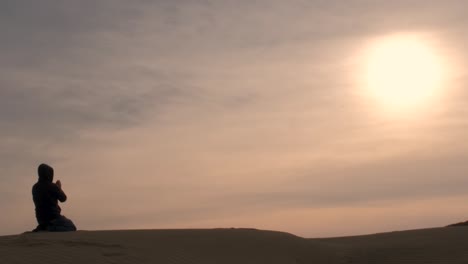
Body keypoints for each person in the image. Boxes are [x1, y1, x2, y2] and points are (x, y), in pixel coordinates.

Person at [32, 163, 77, 232]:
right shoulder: (52, 186)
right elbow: (63, 198)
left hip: (41, 219)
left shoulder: (35, 187)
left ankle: (43, 227)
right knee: (71, 226)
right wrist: (59, 187)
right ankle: (50, 229)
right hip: (54, 218)